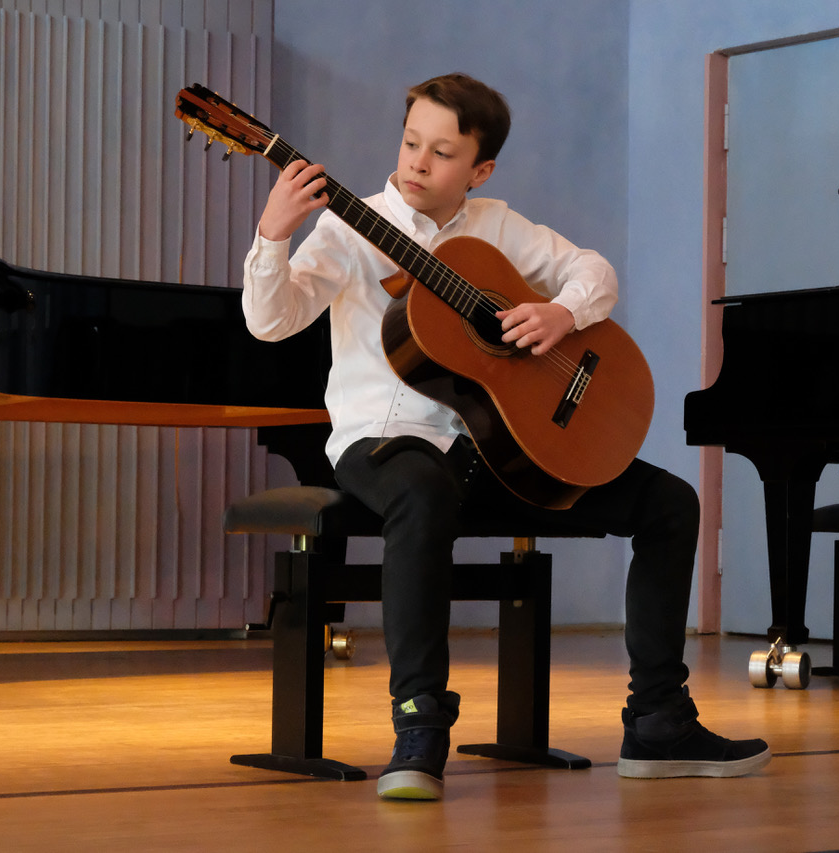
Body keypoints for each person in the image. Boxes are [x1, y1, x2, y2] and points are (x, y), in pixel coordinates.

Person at [241, 72, 770, 801]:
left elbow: (594, 270)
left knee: (670, 501)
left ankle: (658, 719)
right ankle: (420, 723)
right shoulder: (348, 225)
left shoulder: (497, 225)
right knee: (422, 490)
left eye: (444, 152)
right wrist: (274, 232)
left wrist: (563, 314)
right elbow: (270, 322)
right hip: (385, 442)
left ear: (480, 169)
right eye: (411, 142)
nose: (419, 162)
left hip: (497, 448)